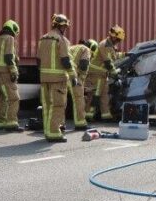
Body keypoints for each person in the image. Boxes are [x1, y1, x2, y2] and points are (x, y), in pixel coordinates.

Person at [38, 14, 76, 142]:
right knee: (58, 106)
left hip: (44, 78)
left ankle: (48, 131)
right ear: (62, 26)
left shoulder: (43, 39)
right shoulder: (61, 39)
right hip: (58, 79)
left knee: (47, 106)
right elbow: (65, 60)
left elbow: (38, 61)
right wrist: (72, 75)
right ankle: (54, 133)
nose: (65, 29)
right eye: (65, 26)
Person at [0, 19, 23, 132]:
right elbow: (8, 56)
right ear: (13, 30)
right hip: (5, 72)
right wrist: (13, 71)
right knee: (14, 98)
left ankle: (0, 122)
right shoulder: (10, 39)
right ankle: (11, 123)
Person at [85, 25, 125, 121]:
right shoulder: (104, 45)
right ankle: (88, 115)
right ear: (113, 36)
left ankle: (106, 115)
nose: (118, 42)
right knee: (95, 95)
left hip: (103, 75)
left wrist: (126, 54)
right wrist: (115, 74)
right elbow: (108, 62)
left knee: (104, 96)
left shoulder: (110, 46)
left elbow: (114, 56)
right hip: (96, 74)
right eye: (118, 40)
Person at [68, 39, 95, 130]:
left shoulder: (72, 48)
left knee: (59, 102)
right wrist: (81, 81)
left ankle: (58, 125)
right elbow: (83, 64)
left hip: (61, 76)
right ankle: (80, 123)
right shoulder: (86, 49)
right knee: (79, 99)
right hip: (72, 76)